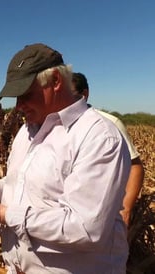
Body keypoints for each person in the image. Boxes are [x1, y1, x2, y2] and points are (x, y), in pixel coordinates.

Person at [0, 43, 131, 273]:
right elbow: (21, 183)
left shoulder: (98, 136)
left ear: (55, 81)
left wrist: (1, 213)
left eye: (25, 94)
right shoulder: (27, 131)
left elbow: (85, 229)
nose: (18, 106)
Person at [71, 72, 144, 227]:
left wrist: (126, 208)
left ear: (85, 94)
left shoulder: (110, 123)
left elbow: (135, 167)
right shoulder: (55, 127)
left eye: (71, 96)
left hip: (105, 221)